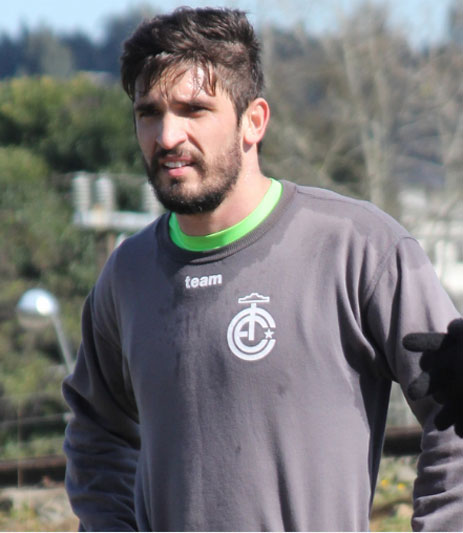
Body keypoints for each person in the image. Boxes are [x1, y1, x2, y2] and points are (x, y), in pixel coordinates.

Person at [63, 7, 463, 531]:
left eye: (194, 109)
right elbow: (97, 436)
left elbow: (455, 412)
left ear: (253, 121)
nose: (167, 136)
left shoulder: (359, 247)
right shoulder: (126, 276)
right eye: (149, 113)